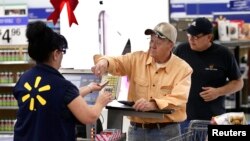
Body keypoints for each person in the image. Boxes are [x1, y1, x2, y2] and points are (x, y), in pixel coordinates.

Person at [91, 22, 193, 141]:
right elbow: (117, 62)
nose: (152, 45)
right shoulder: (136, 59)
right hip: (137, 131)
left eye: (158, 42)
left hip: (167, 132)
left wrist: (154, 104)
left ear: (170, 45)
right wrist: (105, 62)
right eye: (151, 41)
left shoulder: (183, 69)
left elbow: (179, 98)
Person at [13, 21, 113, 141]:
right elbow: (89, 117)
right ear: (56, 54)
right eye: (62, 52)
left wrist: (89, 88)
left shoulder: (24, 79)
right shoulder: (62, 85)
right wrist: (100, 102)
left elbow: (53, 97)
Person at [173, 17, 244, 133]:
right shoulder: (181, 50)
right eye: (189, 35)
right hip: (184, 118)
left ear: (209, 37)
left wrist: (218, 91)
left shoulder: (223, 54)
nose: (191, 39)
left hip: (214, 119)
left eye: (196, 37)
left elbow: (239, 83)